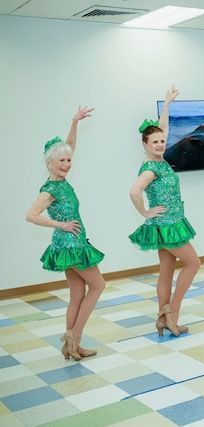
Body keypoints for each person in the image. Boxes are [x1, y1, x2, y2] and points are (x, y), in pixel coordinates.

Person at [26, 106, 105, 360]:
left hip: (71, 244)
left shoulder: (61, 181)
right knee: (98, 285)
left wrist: (74, 122)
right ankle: (75, 339)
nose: (67, 164)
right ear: (49, 163)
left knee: (76, 294)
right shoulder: (50, 189)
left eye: (69, 160)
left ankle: (70, 345)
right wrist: (61, 225)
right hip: (70, 244)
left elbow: (69, 145)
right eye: (62, 161)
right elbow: (31, 215)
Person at [129, 86, 200, 336]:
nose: (160, 144)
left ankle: (162, 318)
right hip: (167, 224)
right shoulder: (151, 167)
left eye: (162, 141)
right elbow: (134, 191)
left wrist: (167, 106)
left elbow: (164, 129)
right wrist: (145, 213)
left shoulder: (159, 160)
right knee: (193, 263)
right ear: (144, 144)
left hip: (169, 223)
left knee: (167, 272)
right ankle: (172, 313)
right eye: (155, 142)